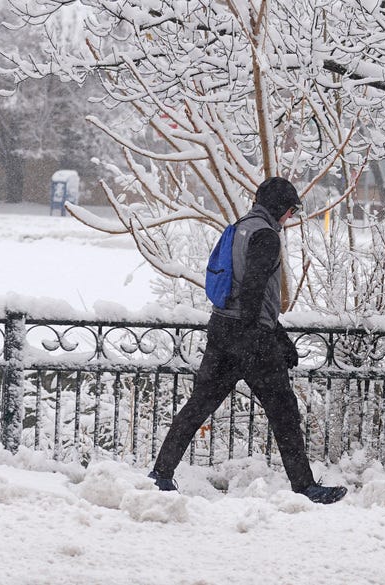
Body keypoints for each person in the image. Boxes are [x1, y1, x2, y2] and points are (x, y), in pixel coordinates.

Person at [148, 177, 347, 504]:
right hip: (250, 339)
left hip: (221, 329)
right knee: (283, 410)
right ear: (281, 208)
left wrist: (275, 333)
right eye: (290, 212)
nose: (290, 219)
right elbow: (253, 290)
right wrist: (273, 339)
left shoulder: (239, 227)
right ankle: (305, 487)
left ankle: (161, 473)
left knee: (198, 405)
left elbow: (234, 286)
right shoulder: (266, 236)